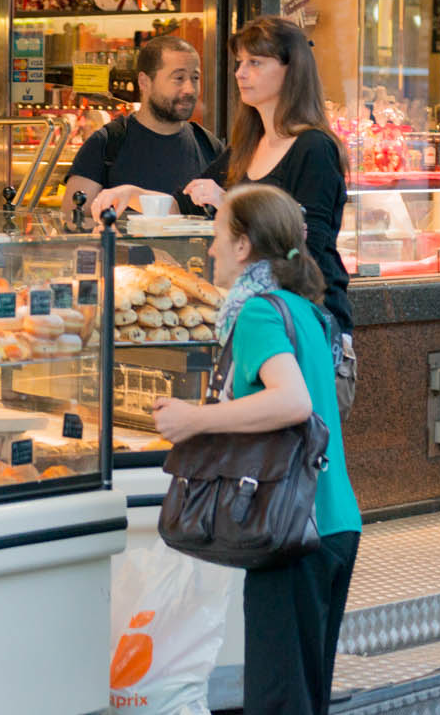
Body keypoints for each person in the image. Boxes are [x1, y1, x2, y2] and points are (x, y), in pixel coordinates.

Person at [152, 184, 359, 715]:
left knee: (277, 701)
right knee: (305, 698)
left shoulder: (257, 314)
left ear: (244, 246)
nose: (211, 250)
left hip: (291, 527)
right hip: (332, 523)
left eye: (218, 236)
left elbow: (291, 401)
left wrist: (194, 419)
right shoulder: (304, 309)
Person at [182, 16, 352, 333]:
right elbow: (188, 201)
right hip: (257, 315)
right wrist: (131, 194)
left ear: (292, 71)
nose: (240, 73)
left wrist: (228, 204)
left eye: (255, 62)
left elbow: (307, 247)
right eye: (240, 62)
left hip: (305, 320)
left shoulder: (315, 148)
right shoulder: (247, 145)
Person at [63, 34, 220, 222]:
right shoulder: (107, 143)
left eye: (195, 78)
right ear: (144, 82)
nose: (190, 89)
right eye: (178, 78)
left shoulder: (209, 145)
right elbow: (73, 225)